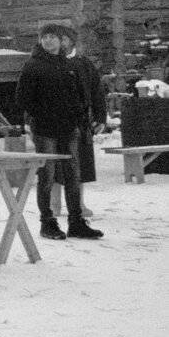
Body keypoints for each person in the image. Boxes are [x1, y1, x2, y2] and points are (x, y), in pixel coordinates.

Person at [16, 24, 103, 241]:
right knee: (47, 176)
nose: (48, 41)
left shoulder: (68, 64)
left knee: (73, 176)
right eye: (44, 37)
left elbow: (80, 95)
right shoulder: (33, 65)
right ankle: (48, 222)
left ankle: (76, 222)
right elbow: (22, 98)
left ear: (61, 40)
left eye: (52, 37)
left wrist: (79, 117)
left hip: (69, 129)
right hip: (45, 130)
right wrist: (40, 115)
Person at [58, 25, 105, 219]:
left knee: (80, 164)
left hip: (80, 122)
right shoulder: (46, 63)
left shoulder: (84, 64)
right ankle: (54, 205)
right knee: (53, 165)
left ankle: (78, 204)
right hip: (53, 121)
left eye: (63, 39)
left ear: (71, 41)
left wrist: (100, 117)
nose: (59, 42)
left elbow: (97, 92)